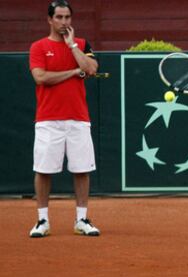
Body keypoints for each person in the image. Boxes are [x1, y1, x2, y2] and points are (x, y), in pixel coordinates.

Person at [28, 0, 100, 237]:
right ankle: (42, 221)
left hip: (78, 118)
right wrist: (72, 72)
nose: (63, 22)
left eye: (67, 17)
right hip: (48, 119)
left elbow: (90, 69)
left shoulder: (81, 44)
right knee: (43, 170)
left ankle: (81, 219)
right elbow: (41, 78)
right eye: (59, 17)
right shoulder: (38, 47)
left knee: (81, 170)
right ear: (50, 19)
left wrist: (72, 47)